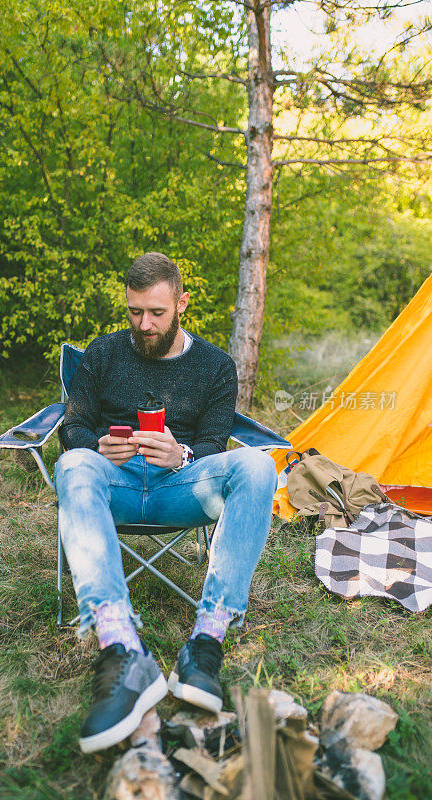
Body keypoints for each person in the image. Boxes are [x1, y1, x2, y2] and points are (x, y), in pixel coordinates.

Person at [56, 252, 277, 753]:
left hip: (182, 489)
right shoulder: (105, 352)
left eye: (156, 313)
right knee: (72, 465)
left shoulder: (216, 366)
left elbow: (216, 446)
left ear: (181, 303)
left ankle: (206, 642)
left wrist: (183, 455)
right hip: (113, 483)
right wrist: (93, 446)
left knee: (259, 465)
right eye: (135, 312)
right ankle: (120, 647)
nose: (144, 324)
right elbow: (73, 426)